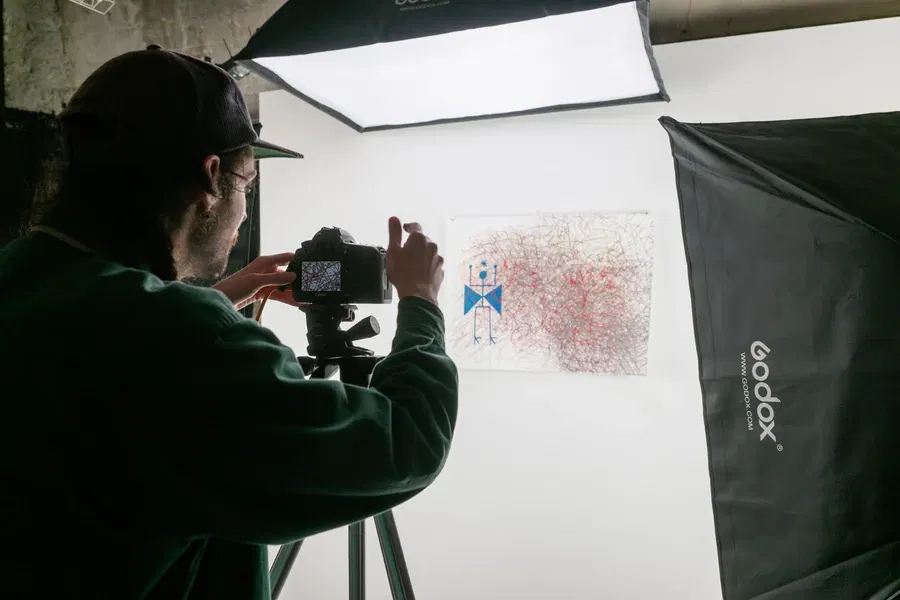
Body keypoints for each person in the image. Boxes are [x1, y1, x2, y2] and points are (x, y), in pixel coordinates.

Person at [0, 46, 458, 599]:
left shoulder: (21, 278)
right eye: (247, 185)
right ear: (212, 179)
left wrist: (211, 303)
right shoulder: (182, 341)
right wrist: (421, 303)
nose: (243, 212)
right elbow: (407, 442)